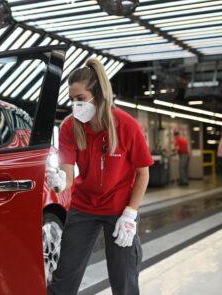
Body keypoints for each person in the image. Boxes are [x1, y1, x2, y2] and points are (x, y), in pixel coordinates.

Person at [46, 58, 153, 295]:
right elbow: (68, 175)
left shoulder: (126, 125)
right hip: (84, 207)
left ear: (98, 95)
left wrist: (130, 214)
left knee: (123, 277)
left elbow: (143, 173)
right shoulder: (69, 127)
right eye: (72, 99)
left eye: (80, 99)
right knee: (65, 275)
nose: (75, 105)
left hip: (119, 208)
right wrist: (61, 183)